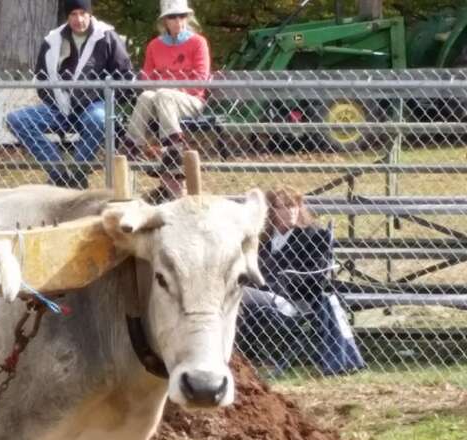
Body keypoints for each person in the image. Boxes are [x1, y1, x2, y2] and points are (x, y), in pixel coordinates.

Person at [5, 0, 134, 189]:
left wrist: (108, 99)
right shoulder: (53, 40)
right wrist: (56, 100)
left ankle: (76, 172)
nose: (78, 19)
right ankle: (59, 173)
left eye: (83, 13)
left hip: (93, 106)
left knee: (99, 119)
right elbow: (42, 78)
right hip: (59, 107)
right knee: (17, 119)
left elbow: (126, 76)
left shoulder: (106, 37)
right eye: (73, 14)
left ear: (90, 14)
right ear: (67, 17)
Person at [238, 187, 365, 376]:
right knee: (233, 296)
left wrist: (274, 285)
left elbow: (316, 275)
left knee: (238, 295)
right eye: (283, 207)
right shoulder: (263, 240)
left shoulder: (314, 236)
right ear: (272, 212)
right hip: (262, 298)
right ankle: (239, 359)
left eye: (294, 206)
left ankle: (239, 358)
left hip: (294, 301)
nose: (290, 211)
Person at [124, 0, 210, 168]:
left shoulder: (198, 42)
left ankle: (174, 148)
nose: (178, 21)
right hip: (159, 99)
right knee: (145, 96)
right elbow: (147, 79)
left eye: (182, 16)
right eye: (172, 17)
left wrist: (170, 88)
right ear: (165, 21)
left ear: (187, 18)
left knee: (164, 94)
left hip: (190, 100)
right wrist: (160, 88)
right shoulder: (154, 46)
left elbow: (201, 79)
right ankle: (132, 146)